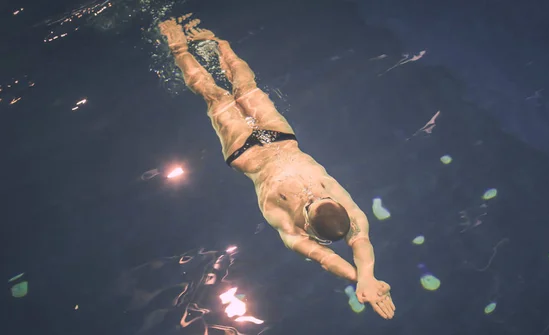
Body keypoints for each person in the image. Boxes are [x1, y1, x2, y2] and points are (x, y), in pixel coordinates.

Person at [159, 16, 395, 319]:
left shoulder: (291, 229)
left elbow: (325, 259)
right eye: (321, 197)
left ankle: (178, 48)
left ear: (308, 224)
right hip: (282, 140)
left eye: (310, 204)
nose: (310, 195)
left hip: (246, 154)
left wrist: (357, 280)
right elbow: (361, 242)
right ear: (337, 203)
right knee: (245, 87)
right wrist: (367, 276)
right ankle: (220, 44)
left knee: (216, 95)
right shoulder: (349, 213)